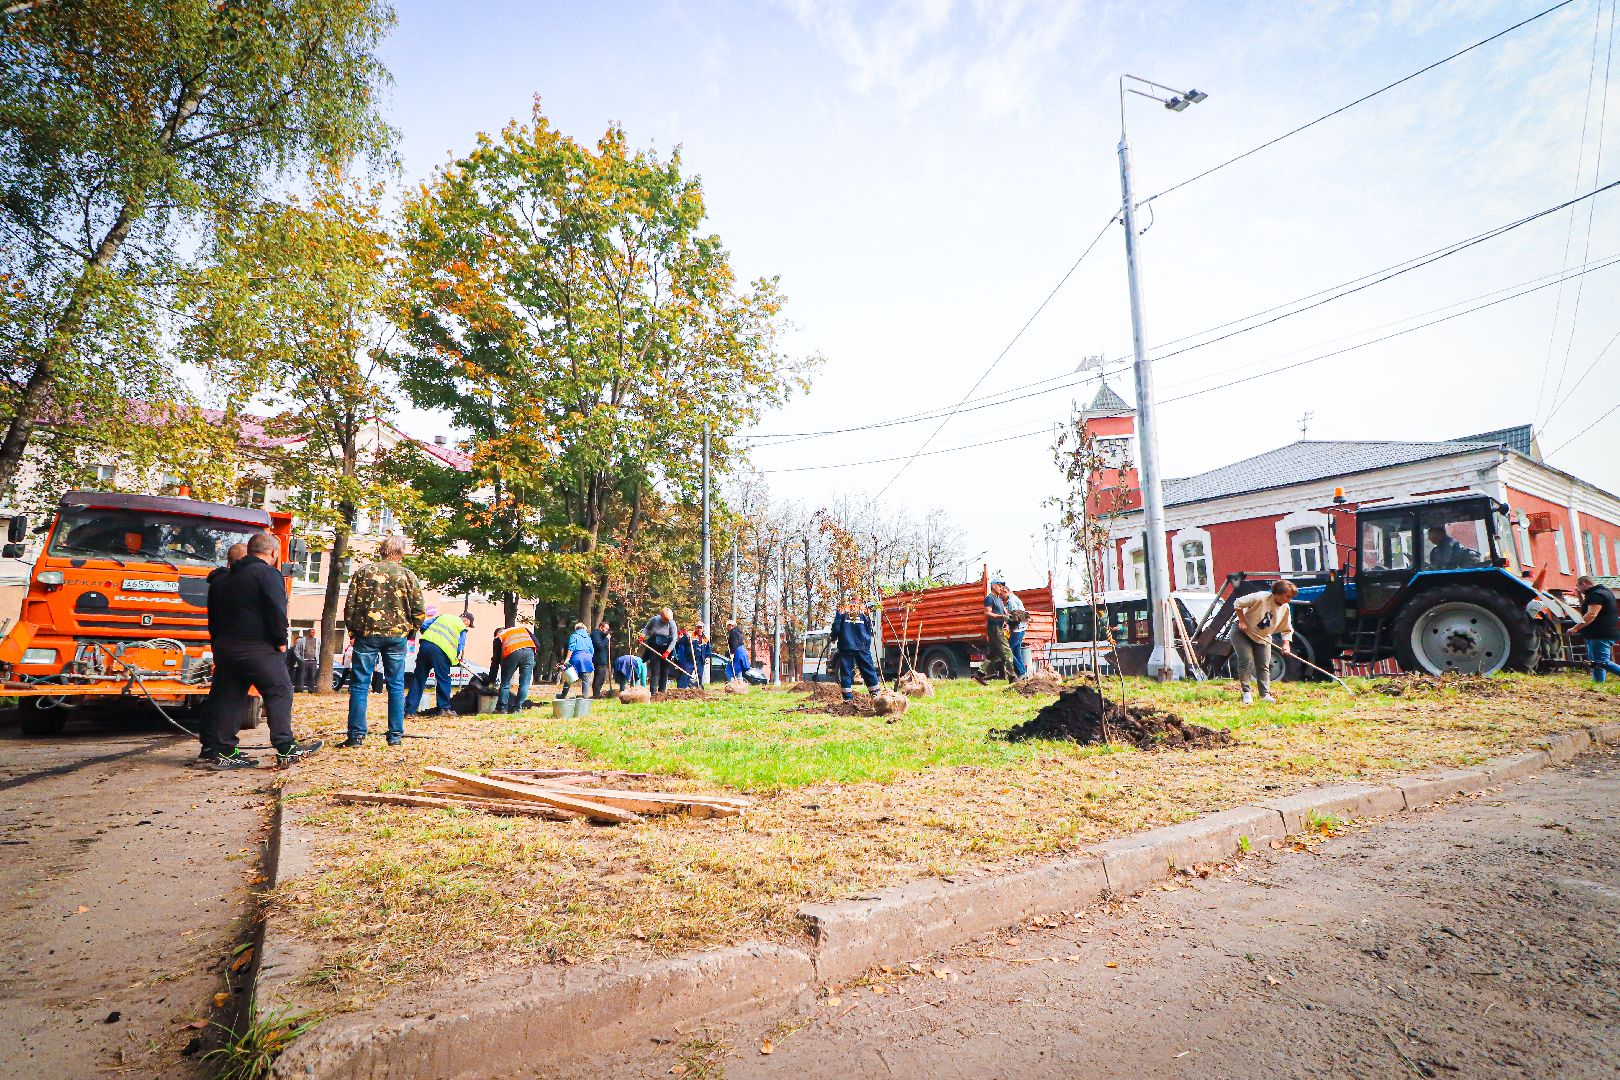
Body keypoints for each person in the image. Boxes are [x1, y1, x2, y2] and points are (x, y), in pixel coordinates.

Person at [207, 532, 321, 768]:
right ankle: (285, 747)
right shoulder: (267, 573)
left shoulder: (223, 579)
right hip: (257, 647)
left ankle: (223, 751)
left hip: (226, 648)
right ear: (273, 552)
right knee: (280, 690)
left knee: (229, 697)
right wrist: (280, 640)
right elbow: (276, 609)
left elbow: (214, 617)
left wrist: (217, 644)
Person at [340, 535, 427, 747]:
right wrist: (410, 632)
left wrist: (353, 631)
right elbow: (419, 610)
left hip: (367, 635)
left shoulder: (363, 572)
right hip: (397, 636)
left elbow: (350, 605)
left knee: (360, 685)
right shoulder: (408, 576)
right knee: (396, 685)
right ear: (401, 552)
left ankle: (356, 736)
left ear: (382, 551)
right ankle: (395, 736)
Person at [197, 542, 248, 763]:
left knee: (220, 695)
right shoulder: (228, 583)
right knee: (226, 698)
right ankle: (218, 747)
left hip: (222, 644)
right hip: (232, 645)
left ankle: (212, 745)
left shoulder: (218, 582)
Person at [1231, 579, 1299, 705]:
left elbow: (1287, 629)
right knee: (1246, 660)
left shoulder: (1285, 608)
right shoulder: (1261, 597)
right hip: (1243, 632)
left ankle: (1265, 695)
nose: (1289, 600)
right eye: (1287, 596)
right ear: (1277, 594)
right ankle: (1246, 693)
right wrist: (1242, 621)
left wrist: (1286, 645)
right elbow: (1238, 603)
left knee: (1263, 664)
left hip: (1263, 636)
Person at [406, 608, 472, 717]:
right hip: (441, 651)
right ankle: (444, 709)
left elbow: (423, 625)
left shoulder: (443, 616)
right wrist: (454, 659)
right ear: (467, 621)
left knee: (419, 679)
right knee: (443, 679)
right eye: (469, 625)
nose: (467, 627)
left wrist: (431, 638)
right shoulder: (462, 627)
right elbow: (460, 646)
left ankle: (409, 711)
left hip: (425, 645)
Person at [829, 601, 880, 702]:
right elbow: (869, 627)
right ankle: (876, 695)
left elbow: (837, 626)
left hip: (846, 645)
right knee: (868, 670)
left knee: (846, 672)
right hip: (862, 645)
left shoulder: (842, 610)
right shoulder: (864, 610)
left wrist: (833, 637)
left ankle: (848, 698)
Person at [1574, 575, 1620, 683]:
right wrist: (1579, 596)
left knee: (1602, 662)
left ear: (1583, 584)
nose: (1578, 589)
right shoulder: (1603, 592)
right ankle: (1598, 684)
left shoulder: (1596, 595)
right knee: (1596, 662)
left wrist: (1575, 628)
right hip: (1599, 633)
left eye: (1578, 586)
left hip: (1600, 634)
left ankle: (1598, 683)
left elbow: (1591, 614)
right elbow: (1586, 610)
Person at [974, 578, 1017, 685]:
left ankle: (979, 674)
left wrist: (1006, 620)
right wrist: (1001, 617)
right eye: (999, 585)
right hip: (994, 629)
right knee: (1007, 652)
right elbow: (987, 613)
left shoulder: (999, 599)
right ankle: (1012, 677)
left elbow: (1003, 614)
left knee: (992, 655)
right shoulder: (989, 598)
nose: (1001, 588)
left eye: (1002, 586)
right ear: (993, 586)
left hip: (999, 628)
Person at [492, 621, 539, 712]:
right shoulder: (523, 629)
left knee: (505, 683)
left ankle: (502, 708)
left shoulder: (499, 637)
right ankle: (518, 708)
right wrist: (534, 659)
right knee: (524, 683)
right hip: (530, 652)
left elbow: (495, 661)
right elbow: (537, 644)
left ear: (497, 634)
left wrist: (491, 679)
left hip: (512, 652)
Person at [640, 607, 678, 694]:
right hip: (655, 647)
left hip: (666, 648)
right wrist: (642, 636)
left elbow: (674, 639)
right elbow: (646, 628)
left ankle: (662, 691)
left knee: (665, 670)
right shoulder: (655, 620)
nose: (666, 621)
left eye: (668, 620)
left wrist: (667, 652)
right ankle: (653, 692)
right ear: (661, 616)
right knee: (655, 669)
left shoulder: (672, 624)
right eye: (665, 619)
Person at [557, 621, 595, 698]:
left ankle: (563, 695)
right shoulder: (588, 637)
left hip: (577, 658)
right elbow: (592, 650)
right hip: (587, 659)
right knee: (586, 680)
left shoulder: (574, 636)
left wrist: (567, 659)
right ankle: (585, 697)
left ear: (576, 629)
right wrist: (589, 657)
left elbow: (571, 648)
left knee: (569, 677)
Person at [1003, 583, 1029, 678]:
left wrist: (1005, 620)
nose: (1001, 597)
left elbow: (1014, 618)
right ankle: (1023, 674)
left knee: (1007, 651)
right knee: (1016, 652)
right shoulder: (1016, 599)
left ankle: (1021, 672)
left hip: (1017, 630)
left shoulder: (1011, 602)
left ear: (1005, 591)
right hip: (1022, 629)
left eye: (1001, 594)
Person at [292, 628, 320, 693]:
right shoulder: (302, 640)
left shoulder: (317, 641)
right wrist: (301, 658)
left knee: (312, 676)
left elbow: (318, 650)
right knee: (302, 676)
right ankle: (300, 689)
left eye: (314, 632)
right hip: (304, 661)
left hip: (313, 661)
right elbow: (296, 650)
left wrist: (317, 659)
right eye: (312, 632)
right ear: (308, 633)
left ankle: (311, 690)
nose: (313, 634)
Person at [590, 621, 612, 698]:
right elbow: (600, 646)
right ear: (601, 627)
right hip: (599, 659)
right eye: (606, 628)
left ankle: (596, 694)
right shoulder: (595, 634)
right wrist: (606, 639)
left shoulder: (601, 635)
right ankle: (596, 695)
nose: (607, 630)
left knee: (600, 676)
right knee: (600, 677)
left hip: (602, 659)